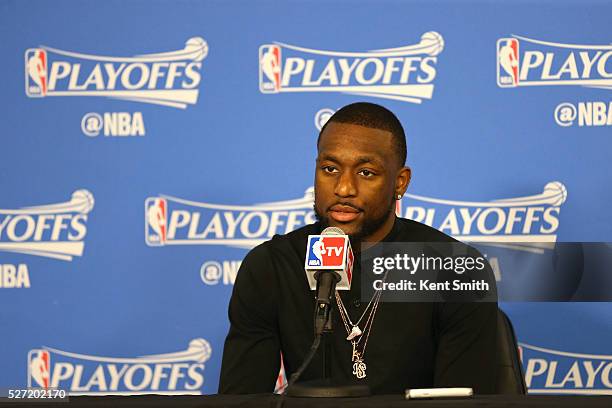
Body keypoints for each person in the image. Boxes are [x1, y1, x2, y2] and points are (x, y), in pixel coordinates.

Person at [219, 102, 498, 394]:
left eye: (365, 173)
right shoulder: (272, 266)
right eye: (330, 169)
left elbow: (466, 403)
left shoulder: (455, 270)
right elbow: (240, 400)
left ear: (400, 182)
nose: (343, 189)